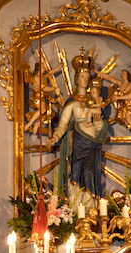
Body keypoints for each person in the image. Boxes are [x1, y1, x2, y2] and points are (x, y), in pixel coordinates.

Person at [48, 52, 108, 200]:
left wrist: (99, 121)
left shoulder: (94, 103)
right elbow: (62, 124)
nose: (85, 79)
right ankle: (75, 207)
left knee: (89, 172)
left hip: (91, 144)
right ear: (76, 79)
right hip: (75, 145)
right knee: (75, 173)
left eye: (87, 77)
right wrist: (54, 137)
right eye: (82, 76)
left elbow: (100, 128)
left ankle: (90, 206)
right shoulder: (72, 103)